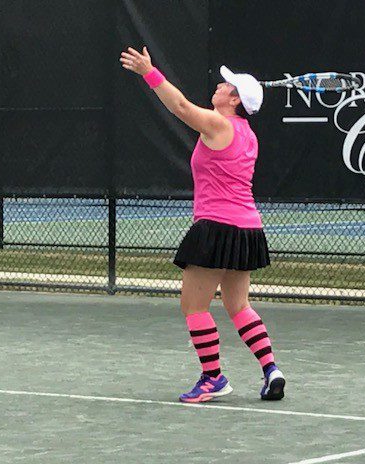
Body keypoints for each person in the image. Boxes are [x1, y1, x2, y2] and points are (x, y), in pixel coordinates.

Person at [120, 46, 285, 403]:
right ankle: (272, 369)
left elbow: (180, 107)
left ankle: (213, 378)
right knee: (238, 305)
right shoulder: (248, 134)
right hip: (247, 229)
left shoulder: (218, 124)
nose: (220, 86)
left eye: (228, 86)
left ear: (236, 100)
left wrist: (149, 72)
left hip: (217, 226)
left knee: (193, 307)